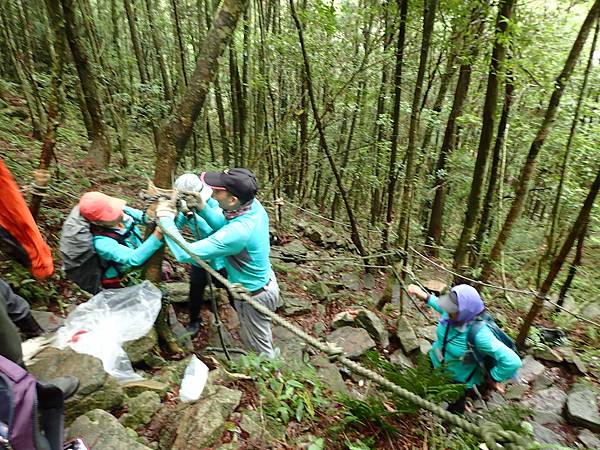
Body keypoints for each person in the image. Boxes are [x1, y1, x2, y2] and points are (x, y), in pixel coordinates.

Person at [158, 168, 280, 358]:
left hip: (254, 295)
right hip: (262, 284)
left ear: (232, 200)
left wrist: (165, 220)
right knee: (257, 334)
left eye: (217, 192)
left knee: (259, 347)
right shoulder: (252, 206)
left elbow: (187, 254)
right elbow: (224, 224)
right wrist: (203, 208)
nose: (212, 196)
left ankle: (270, 377)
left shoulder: (239, 232)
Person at [407, 283, 522, 413]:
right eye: (448, 305)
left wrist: (494, 377)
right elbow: (439, 304)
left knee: (453, 410)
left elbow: (513, 361)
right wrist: (421, 294)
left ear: (466, 311)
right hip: (434, 360)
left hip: (457, 378)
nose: (448, 310)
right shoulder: (452, 311)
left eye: (452, 309)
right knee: (419, 389)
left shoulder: (480, 334)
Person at [174, 173, 234, 336]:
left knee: (231, 289)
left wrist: (198, 214)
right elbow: (175, 228)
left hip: (221, 257)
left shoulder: (216, 204)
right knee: (195, 290)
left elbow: (221, 229)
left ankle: (244, 316)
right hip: (199, 258)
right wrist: (179, 213)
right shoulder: (186, 208)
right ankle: (194, 321)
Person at [78, 192, 164, 289]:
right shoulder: (101, 242)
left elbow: (147, 218)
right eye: (111, 213)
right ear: (99, 222)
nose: (118, 213)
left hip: (140, 263)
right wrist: (158, 234)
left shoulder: (122, 212)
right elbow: (133, 259)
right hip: (123, 278)